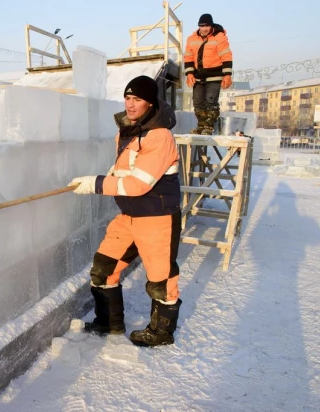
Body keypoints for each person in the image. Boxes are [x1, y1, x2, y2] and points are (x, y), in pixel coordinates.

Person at [68, 75, 183, 347]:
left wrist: (95, 183)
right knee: (103, 269)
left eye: (137, 100)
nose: (130, 105)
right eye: (128, 98)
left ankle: (161, 333)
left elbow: (138, 183)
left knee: (160, 280)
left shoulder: (160, 136)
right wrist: (105, 176)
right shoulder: (128, 131)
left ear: (151, 103)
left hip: (157, 218)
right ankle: (110, 323)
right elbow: (123, 171)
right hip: (128, 217)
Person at [184, 13, 234, 135]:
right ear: (199, 26)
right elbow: (188, 57)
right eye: (202, 26)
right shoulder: (191, 39)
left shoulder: (220, 37)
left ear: (211, 26)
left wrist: (227, 75)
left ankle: (208, 127)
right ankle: (201, 126)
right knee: (197, 102)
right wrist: (189, 74)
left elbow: (226, 55)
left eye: (207, 26)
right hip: (198, 76)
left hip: (214, 75)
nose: (204, 29)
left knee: (210, 101)